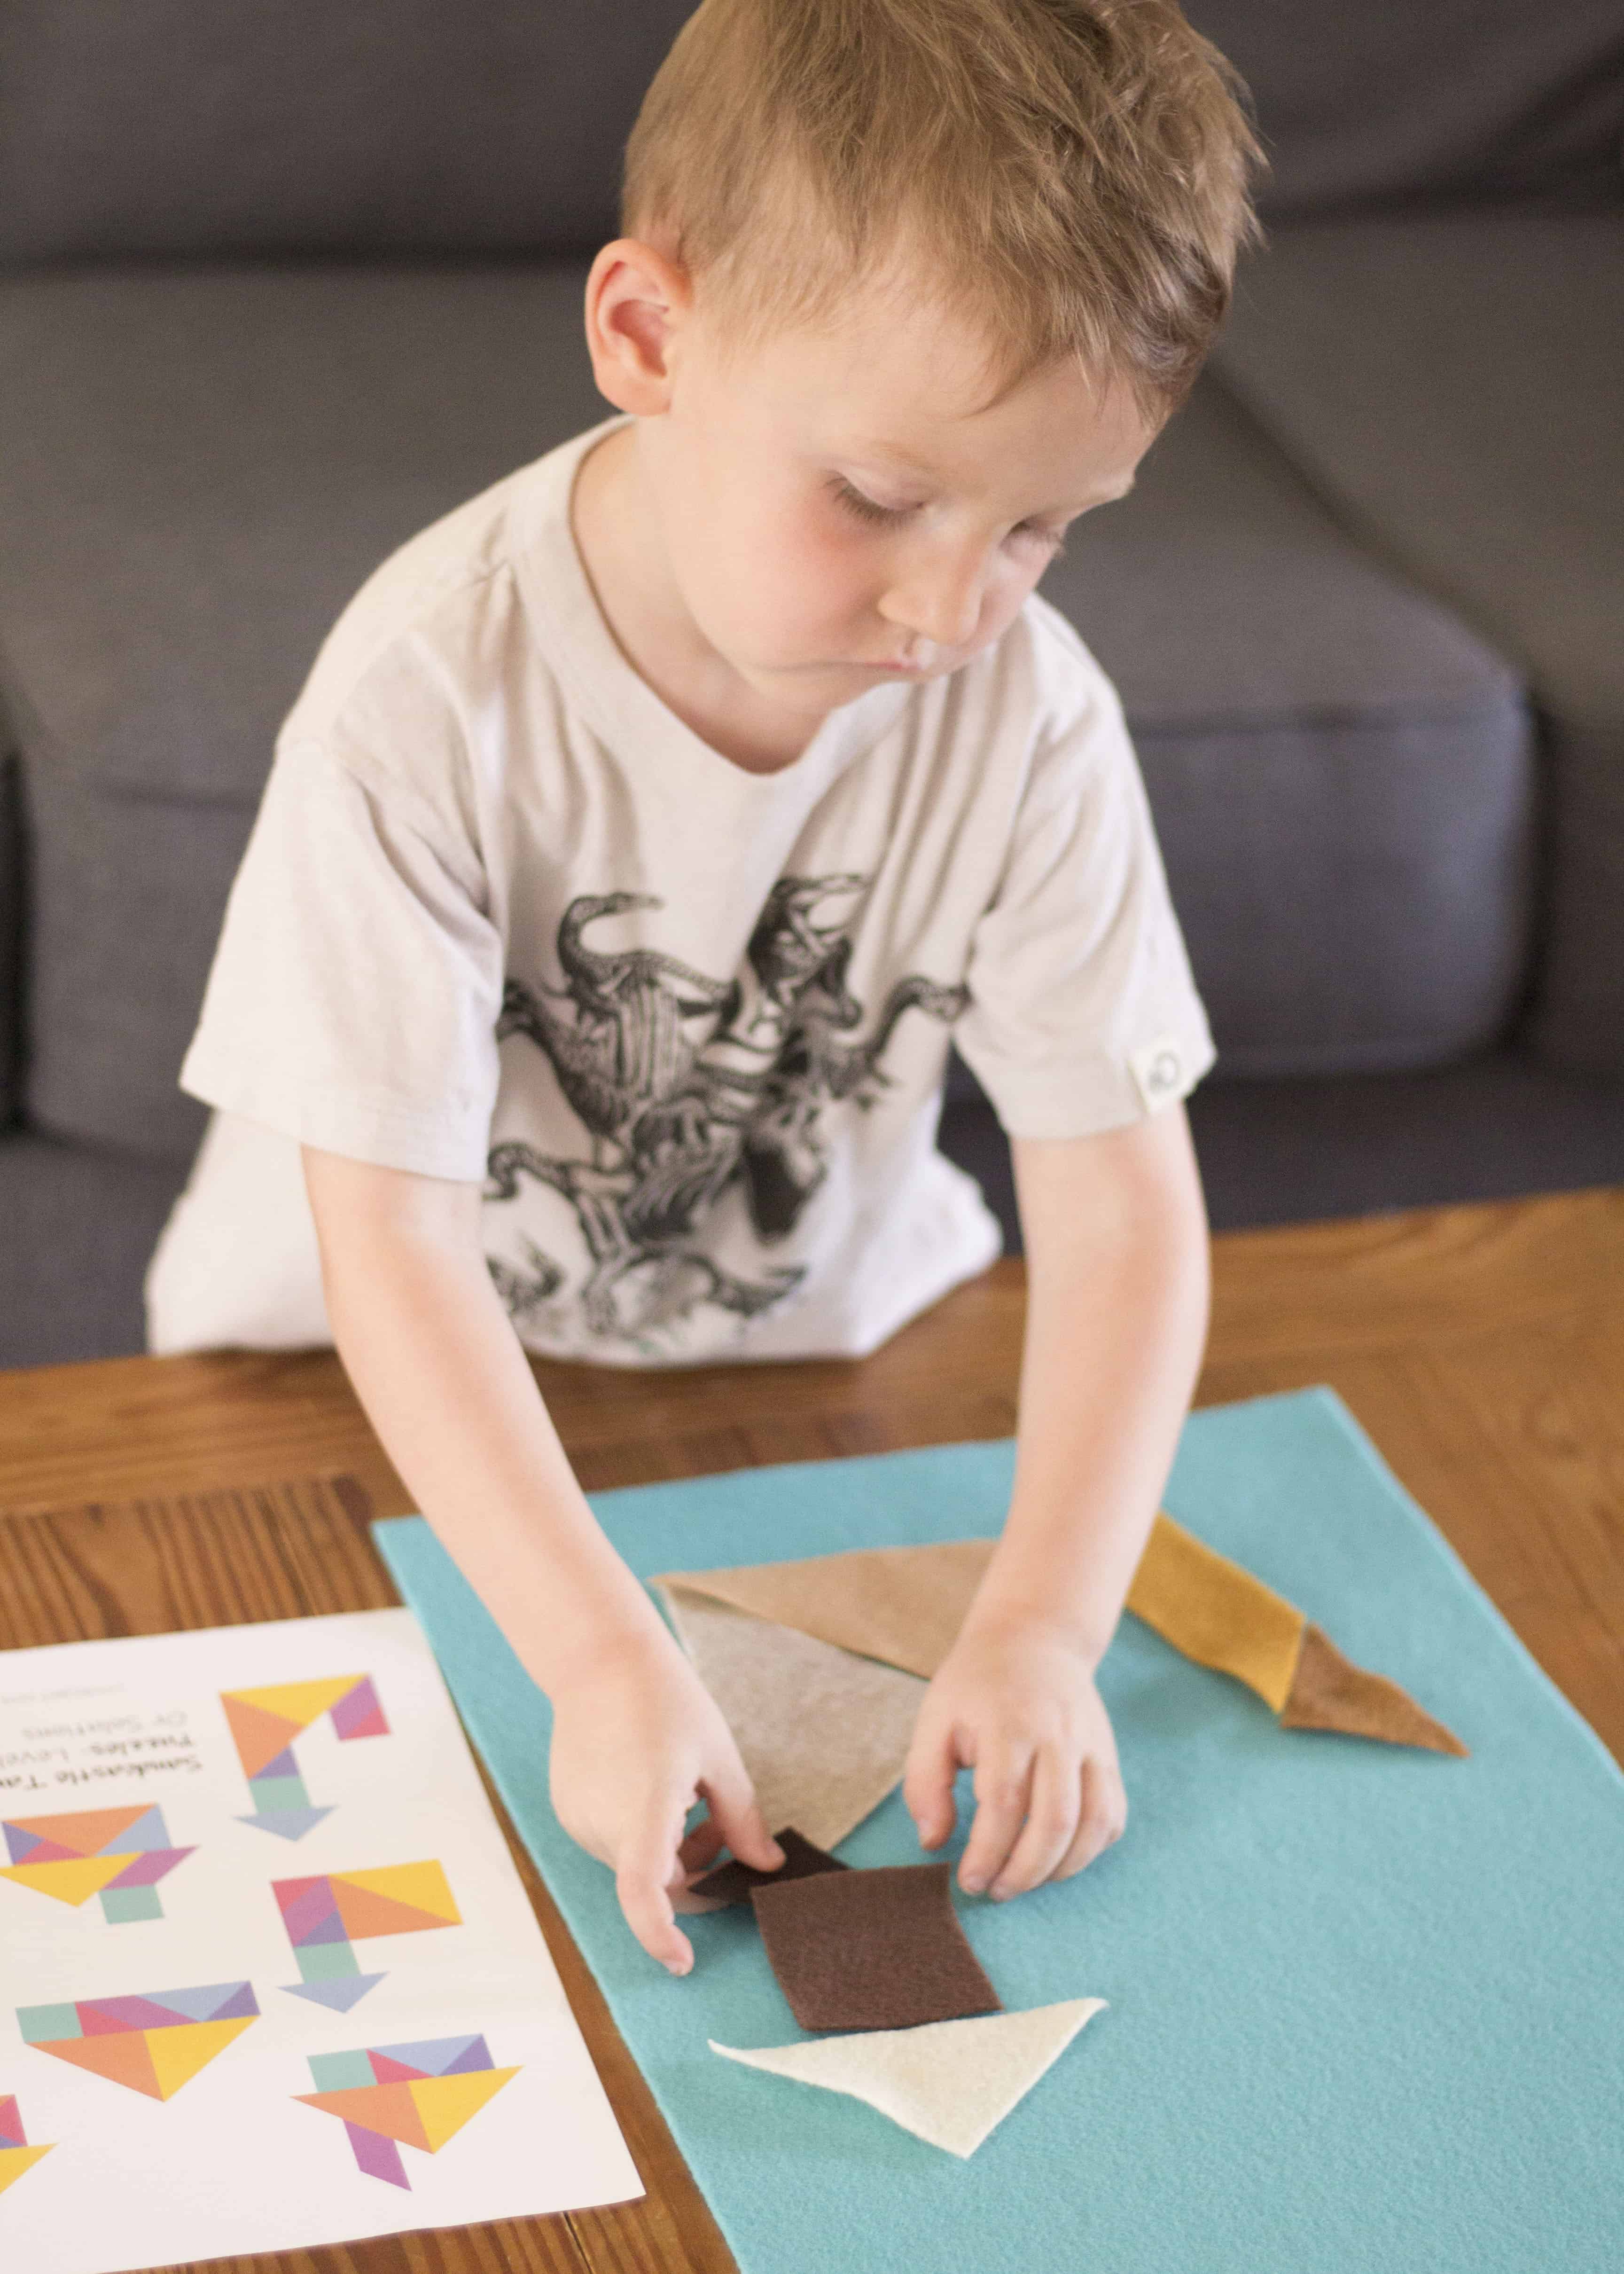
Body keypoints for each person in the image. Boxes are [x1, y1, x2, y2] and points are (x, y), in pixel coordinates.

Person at [147, 0, 1261, 1972]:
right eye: (880, 497)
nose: (951, 611)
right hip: (333, 1381)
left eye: (1043, 532)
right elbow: (388, 1246)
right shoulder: (428, 697)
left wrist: (1045, 1622)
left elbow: (1122, 1200)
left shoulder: (1029, 716)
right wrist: (591, 1650)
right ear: (649, 335)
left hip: (817, 1362)